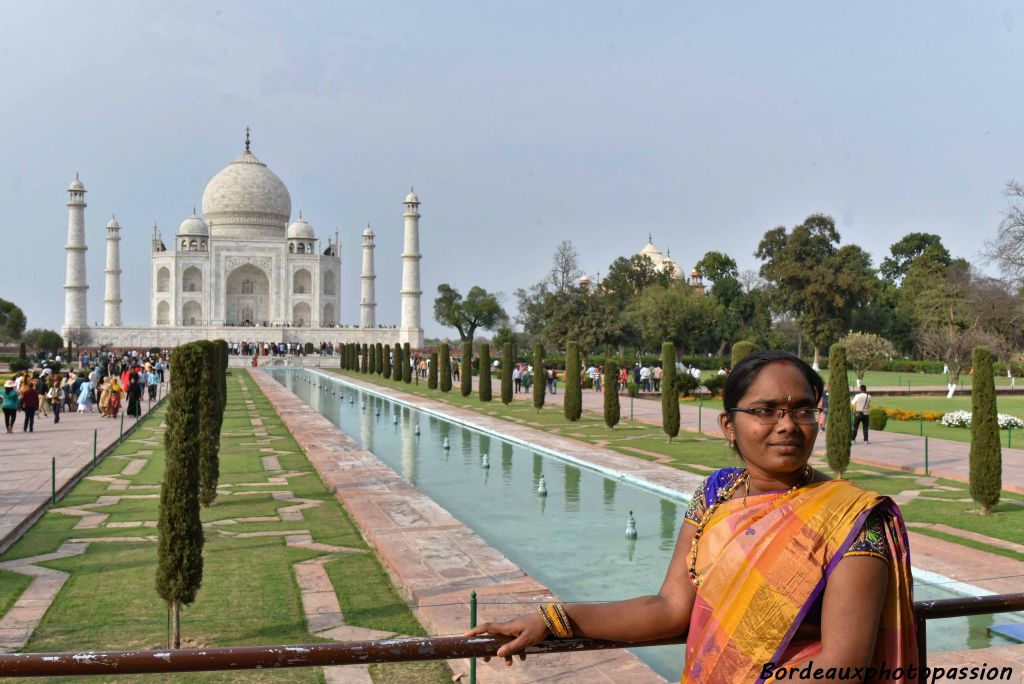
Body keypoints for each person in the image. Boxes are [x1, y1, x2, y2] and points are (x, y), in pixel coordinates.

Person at [467, 351, 917, 681]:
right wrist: (553, 620)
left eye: (802, 409)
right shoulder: (717, 493)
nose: (787, 424)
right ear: (729, 425)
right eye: (765, 411)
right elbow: (670, 608)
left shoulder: (853, 519)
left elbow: (844, 666)